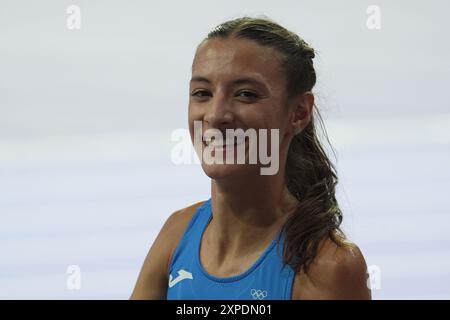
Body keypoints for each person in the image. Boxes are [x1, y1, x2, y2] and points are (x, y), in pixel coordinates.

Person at [130, 16, 371, 300]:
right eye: (202, 93)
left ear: (299, 113)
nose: (216, 115)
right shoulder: (177, 233)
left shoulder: (328, 267)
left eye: (245, 94)